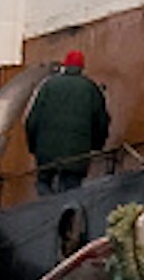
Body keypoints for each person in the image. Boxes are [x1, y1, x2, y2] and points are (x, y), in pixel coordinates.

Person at [25, 50, 110, 196]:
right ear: (82, 67)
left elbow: (32, 120)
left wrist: (33, 147)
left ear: (65, 65)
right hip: (76, 155)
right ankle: (63, 210)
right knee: (70, 190)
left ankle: (47, 209)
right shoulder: (91, 89)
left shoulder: (48, 86)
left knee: (43, 182)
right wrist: (97, 145)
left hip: (46, 153)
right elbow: (101, 122)